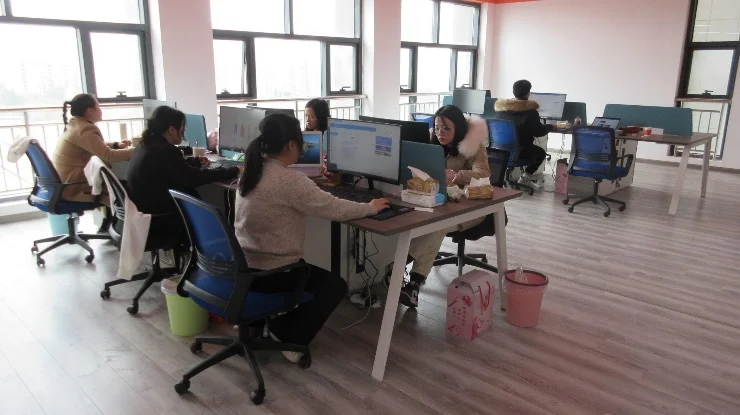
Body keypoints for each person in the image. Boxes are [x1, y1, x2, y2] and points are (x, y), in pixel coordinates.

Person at [233, 113, 388, 362]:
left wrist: (310, 186)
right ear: (291, 145)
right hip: (273, 273)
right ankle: (287, 336)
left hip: (243, 267)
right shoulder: (290, 181)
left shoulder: (252, 170)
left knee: (309, 272)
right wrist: (370, 207)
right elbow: (335, 208)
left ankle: (259, 323)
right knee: (334, 286)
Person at [400, 105, 491, 308]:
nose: (440, 132)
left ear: (458, 128)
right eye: (437, 127)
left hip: (471, 207)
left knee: (437, 226)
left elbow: (484, 175)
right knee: (423, 223)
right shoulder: (430, 142)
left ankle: (403, 270)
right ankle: (408, 281)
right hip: (439, 203)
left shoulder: (473, 146)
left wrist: (458, 176)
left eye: (446, 128)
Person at [127, 106, 239, 241]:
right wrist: (233, 171)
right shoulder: (165, 151)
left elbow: (169, 167)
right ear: (171, 130)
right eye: (182, 127)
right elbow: (193, 178)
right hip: (162, 218)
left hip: (145, 212)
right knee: (208, 209)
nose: (184, 130)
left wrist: (195, 161)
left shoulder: (145, 145)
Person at [53, 94, 134, 204]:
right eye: (98, 106)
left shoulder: (76, 124)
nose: (101, 110)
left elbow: (92, 145)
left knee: (119, 185)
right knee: (125, 191)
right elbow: (109, 155)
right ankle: (127, 214)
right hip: (75, 188)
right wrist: (138, 150)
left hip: (65, 185)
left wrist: (116, 145)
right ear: (90, 111)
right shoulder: (85, 129)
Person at [493, 79, 553, 188]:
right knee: (540, 153)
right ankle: (525, 178)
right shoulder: (530, 112)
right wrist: (551, 126)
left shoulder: (501, 109)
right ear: (528, 94)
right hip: (519, 152)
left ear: (513, 92)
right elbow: (539, 132)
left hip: (499, 150)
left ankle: (508, 178)